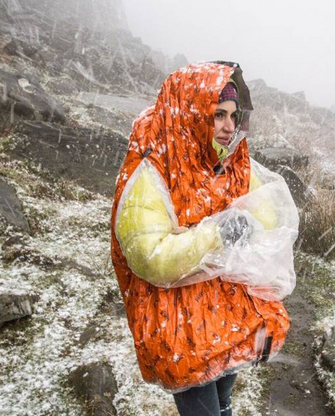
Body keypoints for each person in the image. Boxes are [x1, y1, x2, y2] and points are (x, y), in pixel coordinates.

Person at [111, 61, 298, 416]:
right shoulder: (152, 171)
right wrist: (216, 234)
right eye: (218, 115)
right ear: (194, 113)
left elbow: (267, 221)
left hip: (227, 316)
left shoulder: (230, 162)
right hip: (181, 326)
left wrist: (244, 224)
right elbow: (150, 256)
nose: (229, 127)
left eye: (233, 116)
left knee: (224, 403)